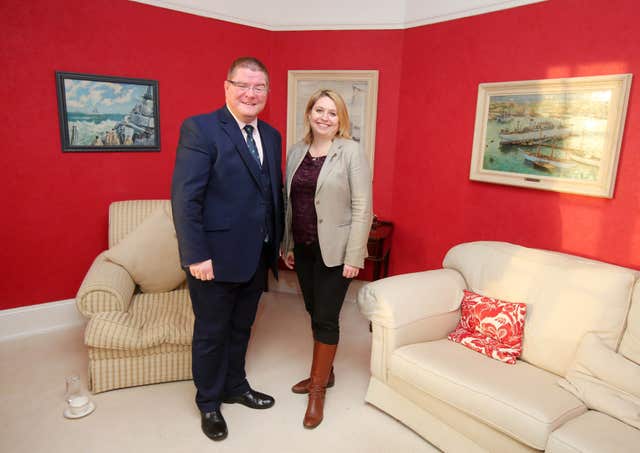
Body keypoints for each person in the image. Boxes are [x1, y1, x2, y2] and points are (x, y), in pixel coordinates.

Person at [171, 57, 284, 442]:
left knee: (242, 328)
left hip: (256, 255)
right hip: (213, 259)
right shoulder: (201, 129)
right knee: (211, 333)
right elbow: (186, 200)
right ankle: (208, 403)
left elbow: (270, 196)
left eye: (259, 87)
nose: (251, 94)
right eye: (243, 85)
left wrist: (277, 242)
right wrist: (195, 255)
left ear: (267, 92)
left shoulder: (270, 135)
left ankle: (236, 386)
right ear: (227, 87)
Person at [282, 89, 373, 428]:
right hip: (304, 247)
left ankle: (317, 389)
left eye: (332, 113)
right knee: (312, 309)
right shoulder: (295, 152)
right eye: (318, 110)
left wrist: (354, 255)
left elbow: (363, 207)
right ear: (309, 114)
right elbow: (290, 202)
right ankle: (327, 372)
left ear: (340, 120)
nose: (324, 117)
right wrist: (288, 243)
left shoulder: (351, 152)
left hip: (337, 250)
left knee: (326, 316)